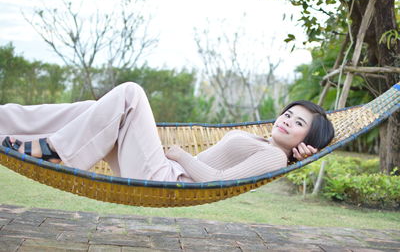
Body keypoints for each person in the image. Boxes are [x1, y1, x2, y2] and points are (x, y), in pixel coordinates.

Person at [0, 82, 334, 182]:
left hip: (168, 178)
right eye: (289, 114)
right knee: (93, 108)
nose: (287, 120)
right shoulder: (264, 141)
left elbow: (217, 182)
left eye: (299, 123)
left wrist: (180, 155)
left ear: (306, 140)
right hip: (164, 169)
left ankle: (57, 149)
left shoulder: (275, 155)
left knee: (130, 94)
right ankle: (8, 123)